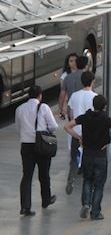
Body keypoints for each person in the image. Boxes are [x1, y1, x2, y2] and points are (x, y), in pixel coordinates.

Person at [64, 94, 111, 221]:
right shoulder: (106, 119)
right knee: (99, 185)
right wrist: (108, 140)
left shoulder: (85, 117)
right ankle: (95, 213)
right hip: (100, 156)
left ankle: (86, 203)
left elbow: (67, 126)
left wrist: (78, 137)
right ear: (104, 106)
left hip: (88, 155)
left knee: (88, 180)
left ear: (93, 104)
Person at [16, 85, 58, 216]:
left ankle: (25, 207)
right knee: (44, 174)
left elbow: (18, 127)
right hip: (42, 145)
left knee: (27, 176)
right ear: (40, 95)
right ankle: (46, 199)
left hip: (26, 145)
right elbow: (53, 126)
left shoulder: (19, 109)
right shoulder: (44, 107)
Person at [65, 71, 98, 195]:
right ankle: (87, 183)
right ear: (92, 81)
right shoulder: (95, 97)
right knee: (89, 159)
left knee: (74, 158)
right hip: (89, 134)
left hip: (76, 132)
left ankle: (71, 178)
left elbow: (71, 114)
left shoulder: (74, 95)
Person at [58, 53, 78, 119]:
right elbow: (63, 94)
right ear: (68, 64)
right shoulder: (64, 77)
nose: (74, 63)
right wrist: (61, 110)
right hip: (71, 104)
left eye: (75, 60)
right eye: (71, 61)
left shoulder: (82, 73)